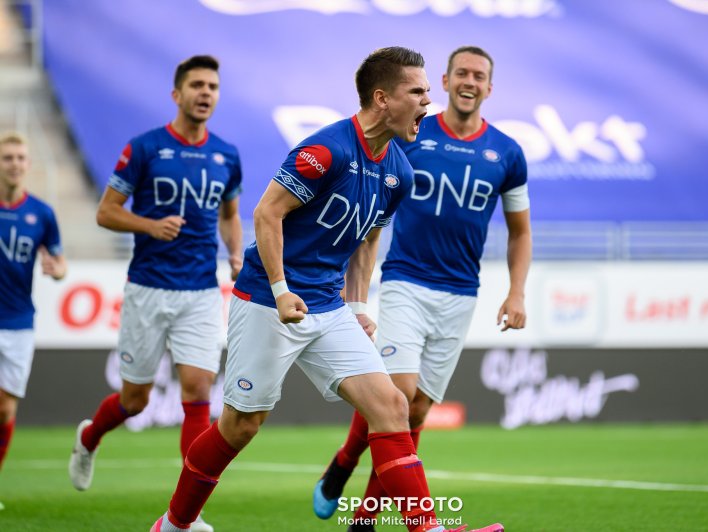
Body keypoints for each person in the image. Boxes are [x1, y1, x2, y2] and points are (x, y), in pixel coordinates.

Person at [149, 46, 502, 532]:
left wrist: (356, 304)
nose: (428, 102)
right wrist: (280, 288)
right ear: (382, 99)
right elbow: (266, 213)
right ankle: (174, 524)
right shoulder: (325, 151)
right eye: (417, 92)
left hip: (328, 307)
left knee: (392, 405)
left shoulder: (400, 172)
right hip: (268, 302)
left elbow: (367, 238)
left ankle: (428, 530)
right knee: (241, 426)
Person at [314, 45, 531, 531]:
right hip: (406, 280)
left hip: (461, 293)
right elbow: (368, 193)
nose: (469, 81)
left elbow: (520, 230)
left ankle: (357, 495)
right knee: (398, 393)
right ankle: (362, 498)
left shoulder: (508, 154)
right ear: (447, 81)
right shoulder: (410, 132)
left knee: (413, 417)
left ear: (489, 87)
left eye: (479, 75)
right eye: (460, 73)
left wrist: (516, 292)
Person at [68, 55, 243, 532]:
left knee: (198, 392)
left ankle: (185, 516)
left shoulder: (226, 154)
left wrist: (235, 253)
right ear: (176, 94)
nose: (205, 93)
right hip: (147, 289)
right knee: (135, 400)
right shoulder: (144, 148)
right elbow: (106, 212)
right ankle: (90, 437)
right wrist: (149, 225)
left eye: (212, 86)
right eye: (196, 85)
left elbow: (230, 213)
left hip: (201, 292)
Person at [0, 133, 67, 510]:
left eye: (20, 157)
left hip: (19, 321)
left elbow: (59, 262)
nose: (14, 163)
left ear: (28, 164)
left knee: (6, 410)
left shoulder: (41, 213)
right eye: (7, 157)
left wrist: (56, 269)